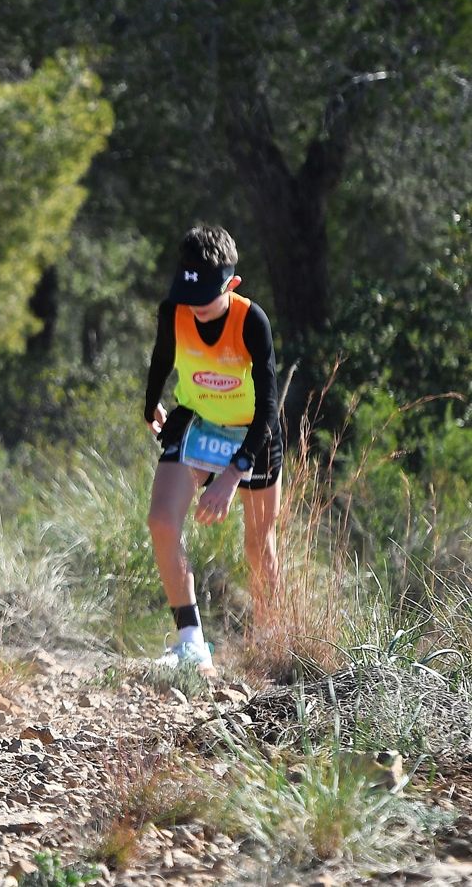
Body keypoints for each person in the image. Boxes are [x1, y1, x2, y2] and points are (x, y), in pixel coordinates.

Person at [143, 224, 283, 676]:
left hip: (251, 433)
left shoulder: (251, 321)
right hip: (198, 421)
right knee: (162, 521)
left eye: (207, 294)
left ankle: (273, 644)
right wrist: (151, 405)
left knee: (259, 547)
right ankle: (191, 644)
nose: (196, 305)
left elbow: (268, 408)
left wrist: (231, 474)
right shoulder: (176, 311)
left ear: (232, 284)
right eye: (189, 293)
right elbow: (163, 358)